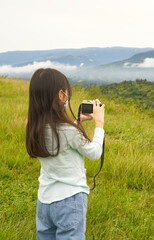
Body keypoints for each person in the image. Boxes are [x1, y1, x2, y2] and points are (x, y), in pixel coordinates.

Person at [26, 68, 105, 239]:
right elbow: (94, 153)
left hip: (44, 202)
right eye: (67, 93)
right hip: (70, 201)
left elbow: (60, 139)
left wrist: (77, 122)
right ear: (61, 95)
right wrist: (99, 123)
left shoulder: (35, 128)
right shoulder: (68, 131)